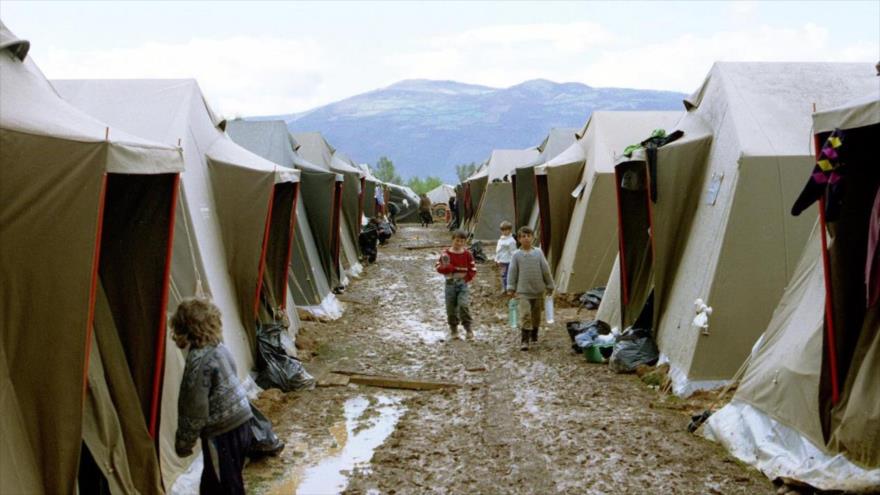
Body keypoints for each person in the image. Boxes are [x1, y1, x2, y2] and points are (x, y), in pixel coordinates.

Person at [172, 298, 254, 494]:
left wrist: (184, 442)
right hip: (243, 422)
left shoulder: (198, 361)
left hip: (223, 432)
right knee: (214, 484)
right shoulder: (219, 348)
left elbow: (193, 408)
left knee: (224, 487)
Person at [506, 226, 554, 351]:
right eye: (523, 236)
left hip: (538, 291)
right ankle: (524, 340)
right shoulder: (516, 255)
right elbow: (512, 272)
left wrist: (550, 285)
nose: (526, 238)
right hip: (523, 291)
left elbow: (545, 269)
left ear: (533, 238)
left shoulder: (538, 252)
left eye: (528, 236)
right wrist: (511, 287)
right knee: (525, 314)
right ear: (519, 239)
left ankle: (534, 333)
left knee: (536, 315)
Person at [436, 229, 477, 340]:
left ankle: (468, 328)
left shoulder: (467, 254)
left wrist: (467, 278)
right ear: (452, 240)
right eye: (457, 240)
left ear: (465, 242)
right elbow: (438, 267)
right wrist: (447, 267)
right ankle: (453, 328)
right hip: (450, 283)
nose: (459, 243)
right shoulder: (446, 254)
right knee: (451, 306)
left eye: (462, 241)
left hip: (462, 283)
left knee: (463, 305)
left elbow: (473, 268)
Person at [495, 220, 516, 293]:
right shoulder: (500, 240)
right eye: (503, 230)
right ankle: (504, 287)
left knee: (509, 275)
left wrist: (514, 261)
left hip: (509, 261)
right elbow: (498, 250)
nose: (505, 232)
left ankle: (509, 288)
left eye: (507, 230)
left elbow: (513, 252)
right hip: (502, 261)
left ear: (510, 230)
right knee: (503, 275)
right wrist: (497, 259)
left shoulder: (511, 241)